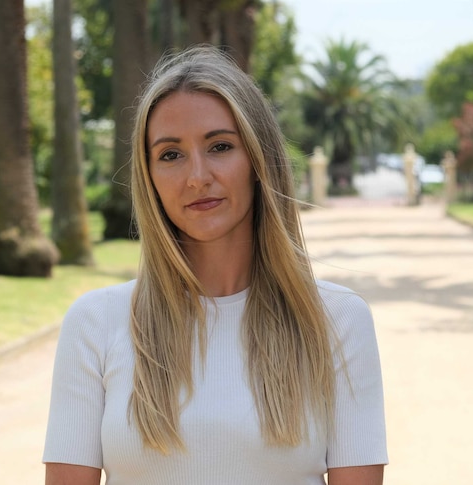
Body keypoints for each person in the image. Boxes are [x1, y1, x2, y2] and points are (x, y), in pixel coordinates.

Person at [43, 45, 387, 485]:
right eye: (170, 154)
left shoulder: (337, 321)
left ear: (259, 160)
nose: (196, 176)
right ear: (148, 176)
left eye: (220, 146)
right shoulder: (95, 323)